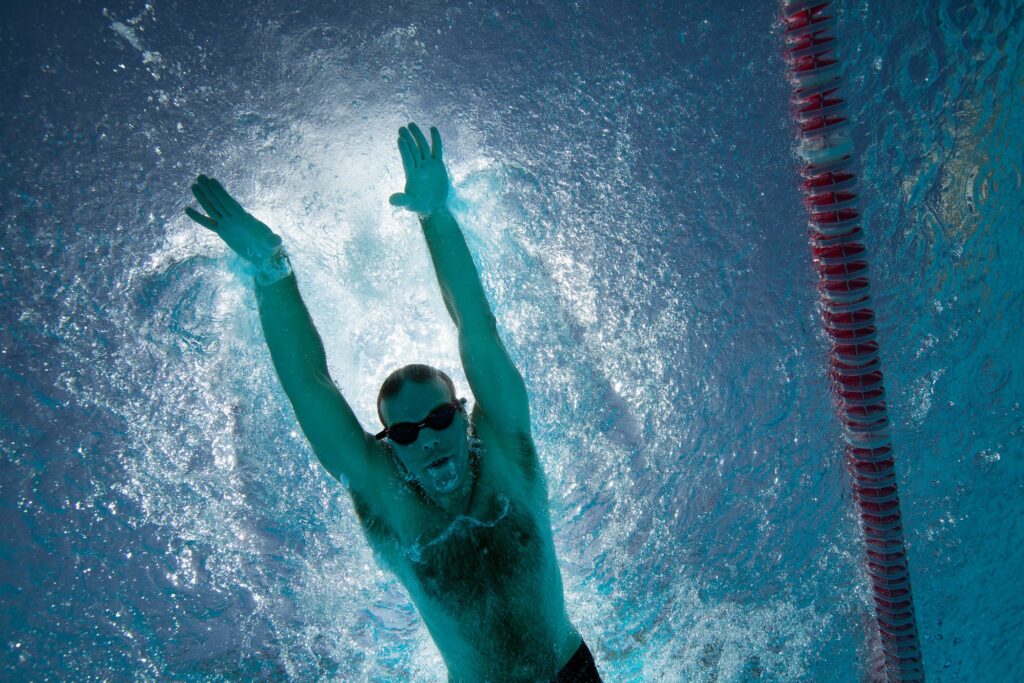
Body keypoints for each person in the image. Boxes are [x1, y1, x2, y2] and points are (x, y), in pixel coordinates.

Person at [185, 123, 602, 682]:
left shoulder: (507, 449)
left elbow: (477, 326)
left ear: (461, 413)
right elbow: (309, 387)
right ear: (391, 449)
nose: (426, 438)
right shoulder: (386, 498)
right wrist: (271, 271)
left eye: (436, 418)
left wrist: (436, 215)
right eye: (404, 434)